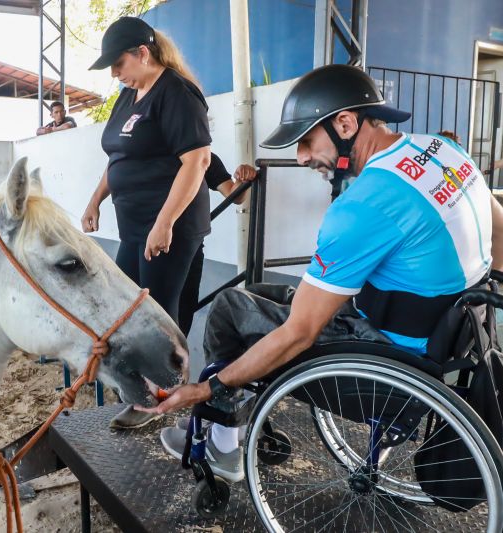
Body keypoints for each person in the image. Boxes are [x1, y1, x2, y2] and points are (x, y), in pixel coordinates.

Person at [143, 64, 503, 484]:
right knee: (260, 293)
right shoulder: (444, 152)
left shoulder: (363, 206)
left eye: (307, 141)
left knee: (228, 307)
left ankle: (224, 443)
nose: (301, 157)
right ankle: (233, 420)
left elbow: (300, 332)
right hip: (455, 339)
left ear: (346, 123)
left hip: (390, 363)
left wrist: (209, 388)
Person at [82, 16, 212, 429]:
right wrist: (95, 201)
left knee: (159, 316)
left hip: (169, 226)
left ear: (143, 52)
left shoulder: (176, 93)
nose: (115, 74)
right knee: (125, 310)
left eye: (118, 64)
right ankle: (145, 393)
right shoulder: (129, 96)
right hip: (133, 226)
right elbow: (118, 158)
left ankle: (163, 404)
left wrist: (165, 222)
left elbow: (198, 161)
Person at [178, 154, 257, 336]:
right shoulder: (144, 152)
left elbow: (234, 195)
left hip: (189, 249)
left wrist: (243, 178)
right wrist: (96, 201)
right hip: (143, 245)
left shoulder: (204, 156)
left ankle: (174, 361)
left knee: (181, 318)